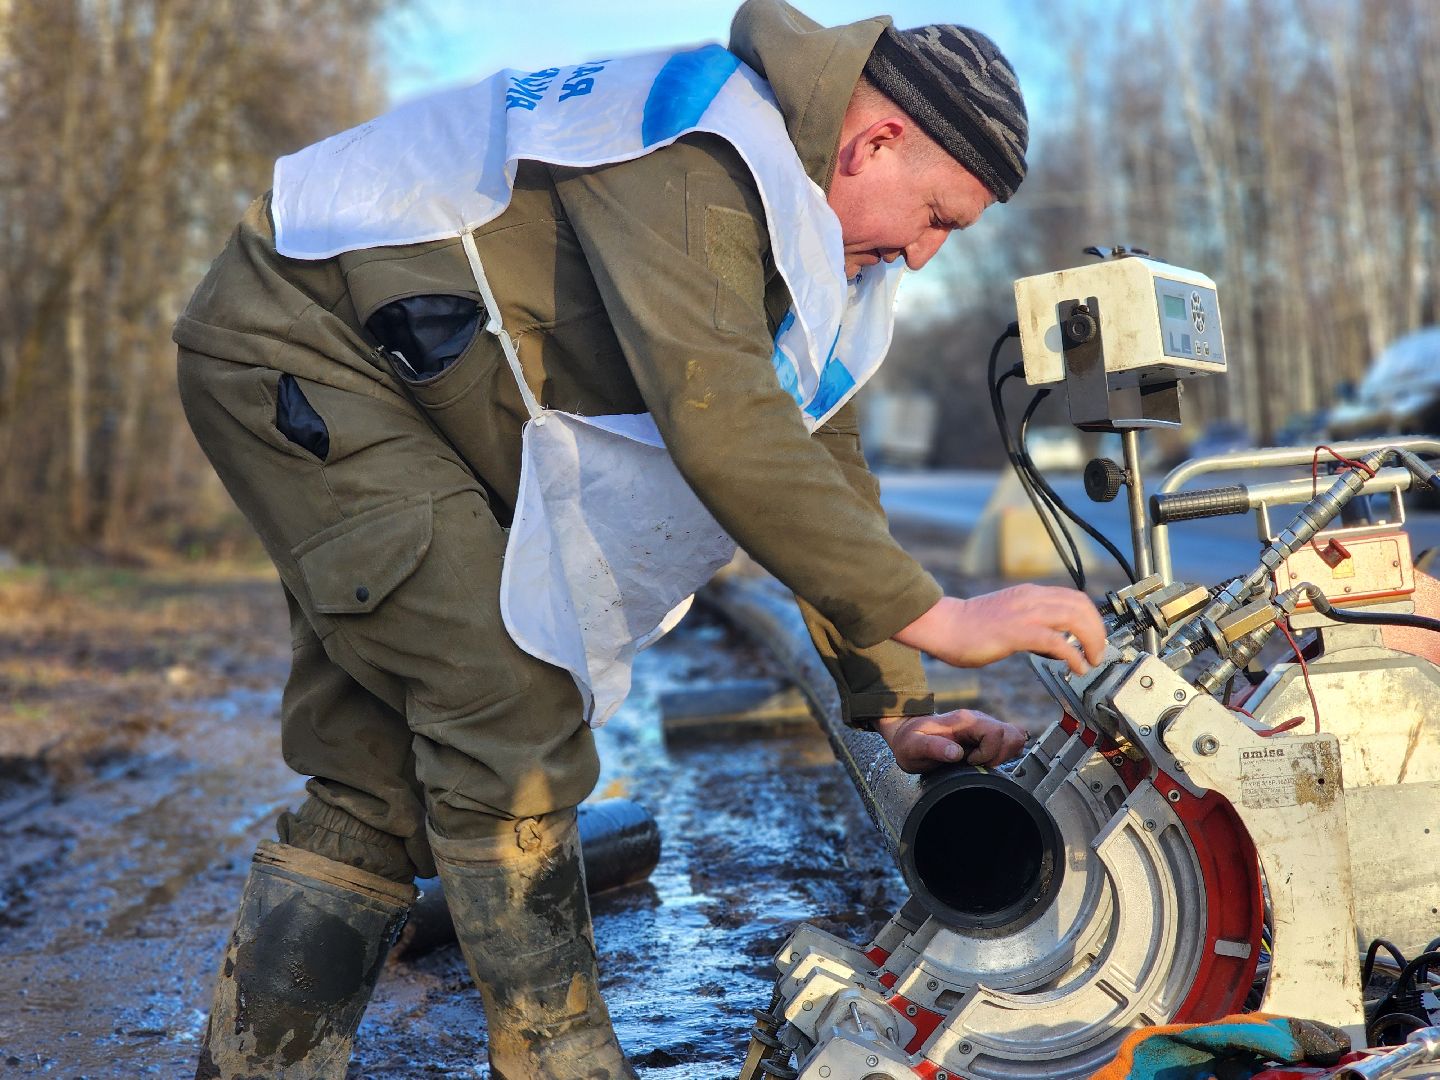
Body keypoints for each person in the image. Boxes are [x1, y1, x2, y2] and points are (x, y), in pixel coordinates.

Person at [175, 1, 1106, 1077]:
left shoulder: (823, 248)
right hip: (305, 339)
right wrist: (940, 613)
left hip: (414, 388)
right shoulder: (703, 149)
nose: (927, 255)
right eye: (938, 215)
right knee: (510, 706)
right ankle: (565, 1061)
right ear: (878, 140)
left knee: (376, 774)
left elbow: (821, 457)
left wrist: (896, 704)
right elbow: (725, 424)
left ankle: (257, 1069)